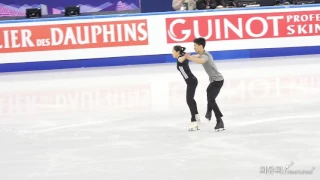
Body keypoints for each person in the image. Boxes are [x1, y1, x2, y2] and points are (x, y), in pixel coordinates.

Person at [185, 38, 225, 131]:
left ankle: (220, 121)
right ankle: (209, 110)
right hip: (213, 81)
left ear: (200, 46)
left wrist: (190, 58)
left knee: (211, 100)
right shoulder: (202, 54)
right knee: (208, 92)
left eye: (195, 46)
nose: (194, 47)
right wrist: (189, 56)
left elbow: (202, 61)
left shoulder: (205, 56)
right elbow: (197, 56)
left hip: (217, 81)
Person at [172, 45, 200, 131]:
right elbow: (188, 57)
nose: (172, 53)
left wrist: (200, 54)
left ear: (177, 52)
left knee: (189, 100)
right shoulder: (183, 57)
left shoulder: (181, 58)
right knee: (191, 99)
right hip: (191, 81)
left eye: (173, 51)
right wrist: (189, 56)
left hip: (191, 81)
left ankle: (194, 121)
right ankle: (196, 116)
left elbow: (183, 58)